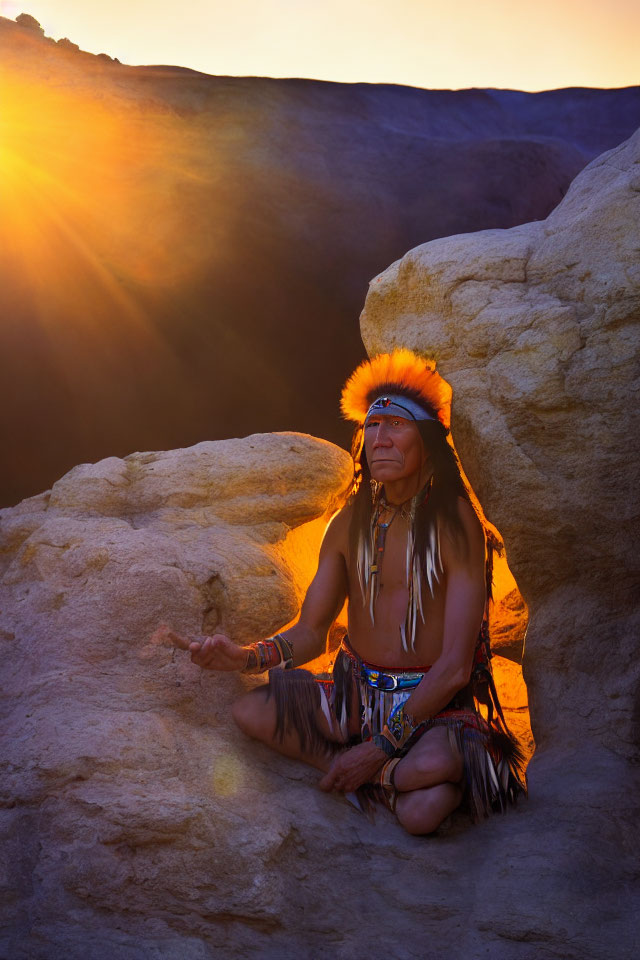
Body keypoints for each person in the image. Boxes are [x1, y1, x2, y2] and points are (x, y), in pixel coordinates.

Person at [155, 349, 526, 834]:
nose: (380, 439)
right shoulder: (349, 522)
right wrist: (245, 658)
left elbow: (456, 667)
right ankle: (390, 777)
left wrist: (377, 750)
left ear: (428, 440)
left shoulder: (457, 524)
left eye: (396, 425)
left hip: (435, 709)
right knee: (250, 709)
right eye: (372, 427)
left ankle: (384, 772)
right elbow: (312, 631)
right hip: (355, 696)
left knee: (424, 796)